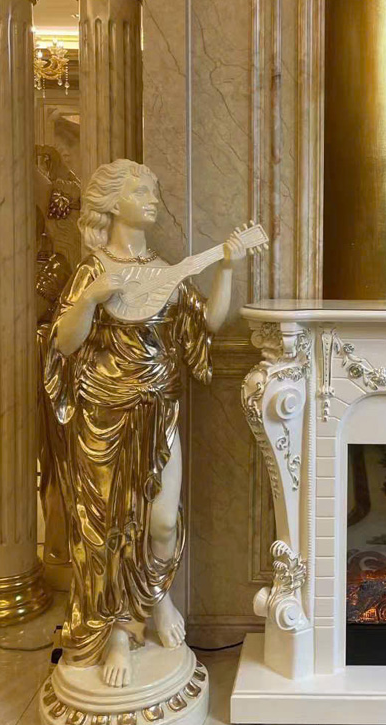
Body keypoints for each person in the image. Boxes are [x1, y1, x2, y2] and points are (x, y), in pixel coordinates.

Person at [44, 159, 245, 688]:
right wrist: (92, 298)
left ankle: (157, 599)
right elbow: (65, 343)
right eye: (141, 191)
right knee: (109, 529)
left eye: (154, 191)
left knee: (161, 523)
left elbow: (208, 322)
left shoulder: (163, 269)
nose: (153, 199)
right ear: (113, 204)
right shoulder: (91, 270)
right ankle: (117, 630)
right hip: (102, 417)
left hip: (159, 412)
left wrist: (226, 267)